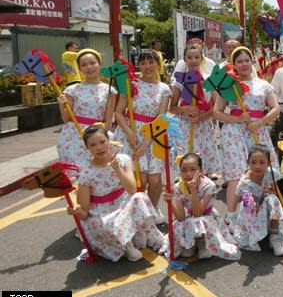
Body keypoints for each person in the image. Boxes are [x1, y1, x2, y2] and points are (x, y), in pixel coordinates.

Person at [66, 124, 165, 262]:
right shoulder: (86, 174)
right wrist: (75, 210)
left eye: (102, 142)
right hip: (102, 214)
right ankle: (127, 247)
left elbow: (132, 189)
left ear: (109, 141)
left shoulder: (123, 159)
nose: (99, 147)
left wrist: (117, 169)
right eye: (93, 145)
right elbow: (84, 214)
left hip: (123, 204)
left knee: (140, 197)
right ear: (87, 148)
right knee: (108, 222)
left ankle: (155, 239)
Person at [213, 46, 280, 228]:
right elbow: (217, 112)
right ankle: (232, 216)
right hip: (233, 133)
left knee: (262, 172)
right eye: (239, 61)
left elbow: (275, 109)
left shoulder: (264, 85)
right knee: (237, 174)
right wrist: (238, 118)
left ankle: (265, 213)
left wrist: (259, 123)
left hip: (257, 131)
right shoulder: (227, 85)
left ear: (252, 61)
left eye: (246, 60)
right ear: (234, 64)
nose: (243, 64)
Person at [114, 51, 171, 223]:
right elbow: (118, 112)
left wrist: (145, 144)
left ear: (157, 64)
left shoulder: (164, 89)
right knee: (140, 178)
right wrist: (130, 133)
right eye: (143, 63)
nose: (147, 66)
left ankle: (152, 211)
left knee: (155, 180)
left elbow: (161, 118)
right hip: (130, 133)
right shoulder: (130, 84)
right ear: (138, 65)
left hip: (154, 135)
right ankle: (135, 213)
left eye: (151, 62)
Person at [161, 153, 240, 260]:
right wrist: (169, 203)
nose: (188, 174)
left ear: (200, 171)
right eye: (183, 170)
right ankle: (193, 243)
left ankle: (204, 242)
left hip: (207, 218)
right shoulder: (178, 186)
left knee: (198, 221)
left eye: (193, 169)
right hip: (190, 218)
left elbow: (198, 213)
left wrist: (193, 191)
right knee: (185, 251)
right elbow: (181, 218)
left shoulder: (209, 185)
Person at [56, 49, 117, 169]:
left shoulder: (110, 90)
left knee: (98, 172)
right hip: (73, 136)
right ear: (79, 69)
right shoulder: (71, 90)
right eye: (84, 65)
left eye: (92, 63)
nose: (89, 67)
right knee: (76, 174)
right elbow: (66, 119)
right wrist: (61, 105)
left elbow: (108, 121)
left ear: (100, 64)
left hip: (97, 137)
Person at [170, 44, 221, 180]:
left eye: (196, 57)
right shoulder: (179, 81)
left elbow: (216, 106)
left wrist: (202, 117)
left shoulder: (209, 80)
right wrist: (184, 109)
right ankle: (184, 174)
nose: (193, 60)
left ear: (201, 59)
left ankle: (206, 172)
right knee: (186, 148)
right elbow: (172, 107)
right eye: (190, 57)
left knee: (205, 149)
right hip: (185, 123)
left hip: (204, 122)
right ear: (184, 59)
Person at [233, 144, 283, 256]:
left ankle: (275, 236)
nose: (257, 166)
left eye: (262, 162)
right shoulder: (245, 182)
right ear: (248, 162)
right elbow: (246, 202)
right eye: (253, 162)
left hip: (266, 204)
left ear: (268, 163)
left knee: (273, 200)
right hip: (251, 209)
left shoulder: (271, 173)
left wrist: (270, 191)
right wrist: (254, 205)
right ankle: (255, 234)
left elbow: (275, 191)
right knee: (253, 205)